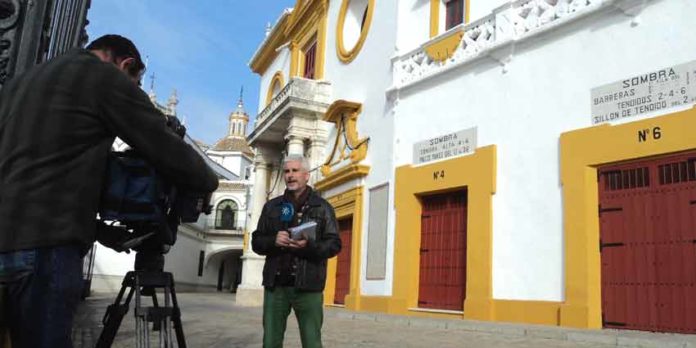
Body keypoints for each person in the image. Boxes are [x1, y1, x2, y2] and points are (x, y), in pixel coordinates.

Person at [0, 34, 219, 347]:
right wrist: (208, 182)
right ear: (125, 64)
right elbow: (158, 140)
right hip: (45, 248)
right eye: (136, 82)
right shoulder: (99, 76)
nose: (136, 90)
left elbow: (41, 172)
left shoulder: (21, 83)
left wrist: (101, 231)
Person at [252, 154, 341, 348]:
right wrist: (273, 240)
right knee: (270, 343)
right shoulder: (272, 207)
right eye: (287, 171)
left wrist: (309, 247)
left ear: (307, 175)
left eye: (295, 171)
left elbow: (334, 244)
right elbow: (256, 242)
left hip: (309, 286)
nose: (290, 175)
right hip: (276, 285)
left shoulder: (323, 207)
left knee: (312, 342)